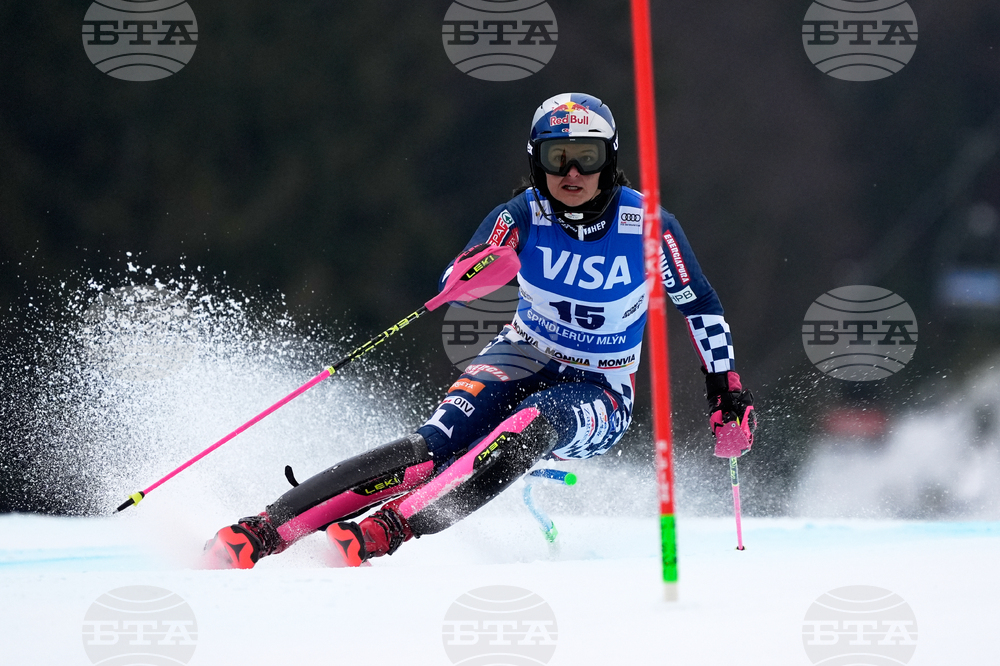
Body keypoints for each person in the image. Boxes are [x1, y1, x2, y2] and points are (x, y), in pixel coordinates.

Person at [203, 92, 756, 569]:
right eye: (556, 158)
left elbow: (700, 304)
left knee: (531, 426)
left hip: (601, 386)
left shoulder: (649, 225)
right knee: (431, 448)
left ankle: (387, 530)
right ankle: (265, 528)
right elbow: (455, 276)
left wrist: (724, 387)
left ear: (608, 161)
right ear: (536, 162)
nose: (571, 174)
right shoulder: (522, 213)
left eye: (585, 159)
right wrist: (481, 267)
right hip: (522, 353)